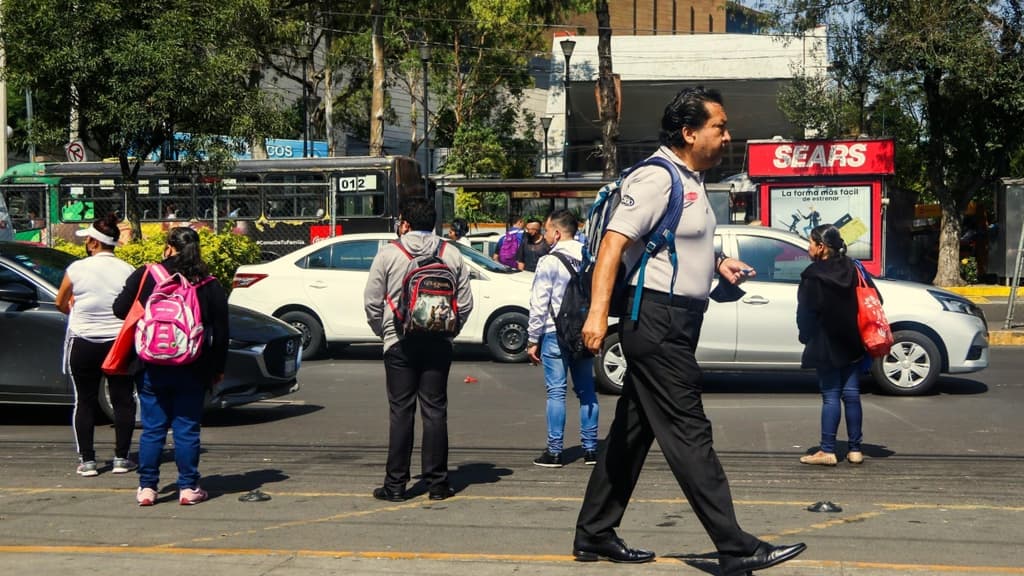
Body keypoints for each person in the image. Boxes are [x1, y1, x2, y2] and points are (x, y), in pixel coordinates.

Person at [572, 87, 806, 575]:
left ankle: (594, 533)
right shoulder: (658, 177)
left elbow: (674, 244)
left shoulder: (690, 179)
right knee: (689, 431)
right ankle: (735, 545)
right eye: (719, 126)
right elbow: (615, 244)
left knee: (632, 434)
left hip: (676, 320)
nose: (727, 135)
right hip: (656, 322)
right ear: (689, 132)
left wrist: (719, 263)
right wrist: (597, 315)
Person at [364, 198, 474, 502]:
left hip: (399, 341)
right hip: (439, 343)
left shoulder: (389, 254)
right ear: (434, 223)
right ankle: (438, 483)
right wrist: (449, 331)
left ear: (405, 223)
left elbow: (372, 302)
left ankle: (396, 485)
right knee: (435, 410)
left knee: (401, 412)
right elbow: (464, 303)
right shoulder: (450, 253)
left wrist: (385, 332)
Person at [113, 227, 229, 506]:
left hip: (149, 363)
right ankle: (188, 487)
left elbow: (120, 309)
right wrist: (217, 368)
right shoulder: (209, 283)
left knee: (153, 427)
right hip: (193, 365)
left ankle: (147, 488)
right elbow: (222, 332)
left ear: (168, 247)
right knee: (186, 428)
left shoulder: (147, 274)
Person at [54, 214, 137, 478]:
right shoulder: (127, 270)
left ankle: (88, 461)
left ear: (92, 242)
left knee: (85, 401)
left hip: (83, 341)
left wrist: (74, 311)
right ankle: (122, 459)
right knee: (123, 400)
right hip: (119, 343)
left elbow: (60, 301)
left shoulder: (77, 269)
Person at [526, 209, 599, 468]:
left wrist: (532, 338)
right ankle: (591, 449)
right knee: (587, 391)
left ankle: (555, 451)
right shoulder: (589, 258)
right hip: (585, 331)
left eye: (546, 230)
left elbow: (539, 303)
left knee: (556, 392)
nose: (545, 235)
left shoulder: (549, 261)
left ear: (557, 233)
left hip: (554, 332)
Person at [797, 223, 870, 466]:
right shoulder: (853, 267)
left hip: (825, 343)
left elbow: (805, 313)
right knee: (851, 395)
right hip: (852, 340)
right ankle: (855, 449)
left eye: (810, 242)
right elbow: (873, 296)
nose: (808, 247)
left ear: (821, 247)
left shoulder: (812, 275)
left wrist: (805, 336)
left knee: (830, 397)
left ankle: (827, 450)